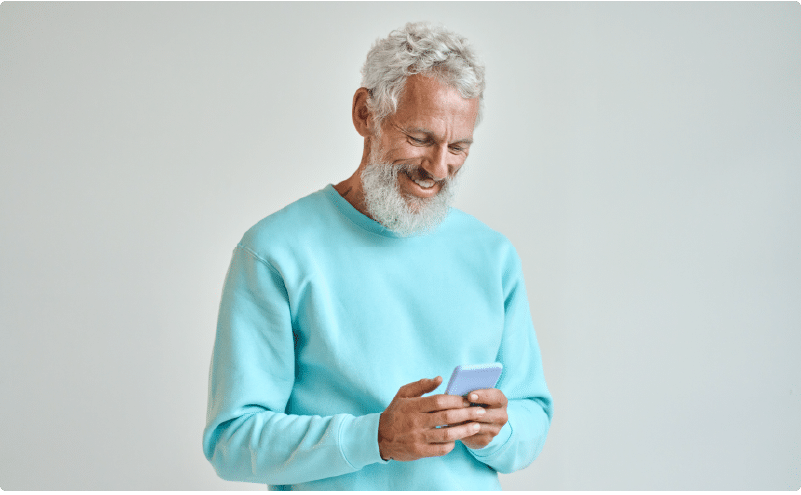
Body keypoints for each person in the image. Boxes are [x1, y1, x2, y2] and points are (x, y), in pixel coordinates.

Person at [202, 21, 553, 490]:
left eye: (458, 148)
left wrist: (498, 432)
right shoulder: (274, 252)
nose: (438, 168)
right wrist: (377, 437)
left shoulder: (493, 255)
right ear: (365, 113)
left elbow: (531, 417)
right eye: (421, 138)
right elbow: (233, 443)